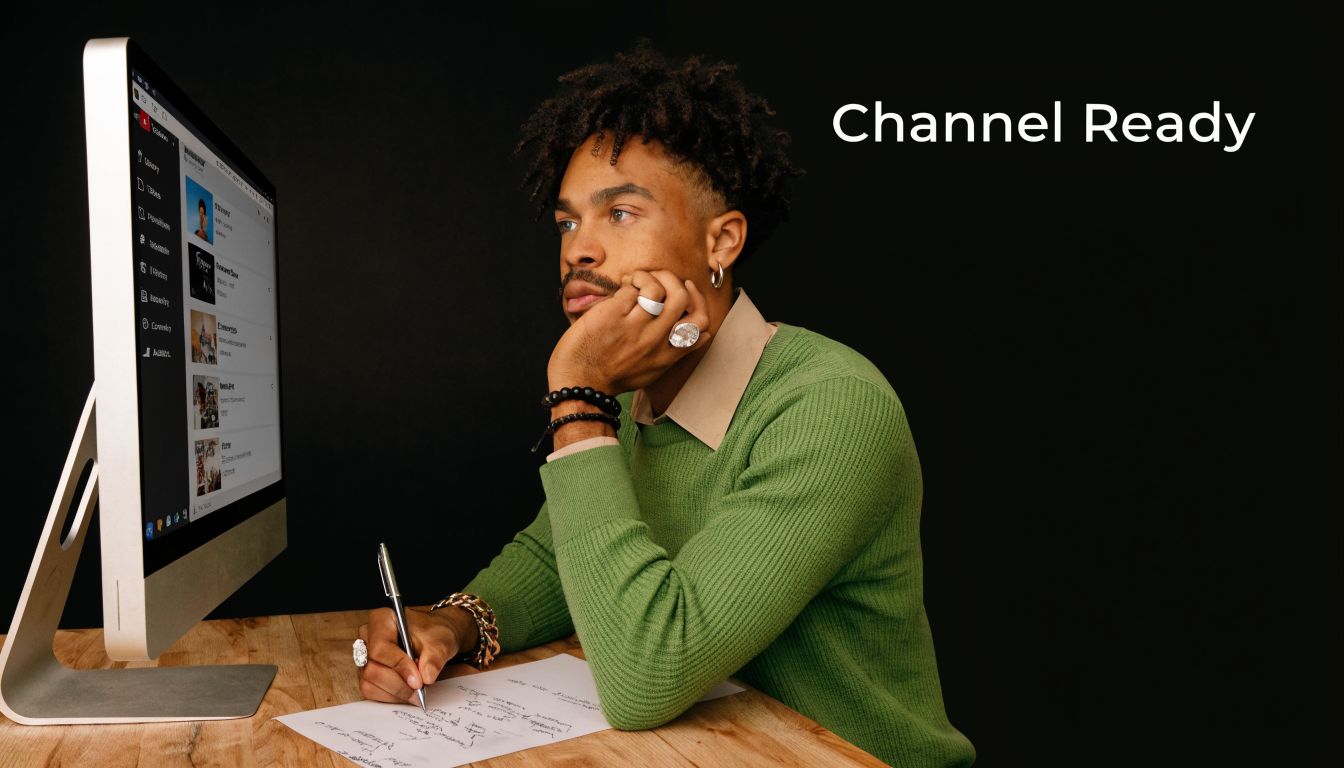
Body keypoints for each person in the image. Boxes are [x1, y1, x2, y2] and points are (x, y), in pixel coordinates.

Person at [356, 39, 975, 767]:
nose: (577, 250)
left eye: (619, 214)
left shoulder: (829, 407)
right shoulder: (636, 399)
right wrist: (452, 625)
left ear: (723, 240)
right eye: (567, 222)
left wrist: (578, 396)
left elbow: (649, 672)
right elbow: (556, 557)